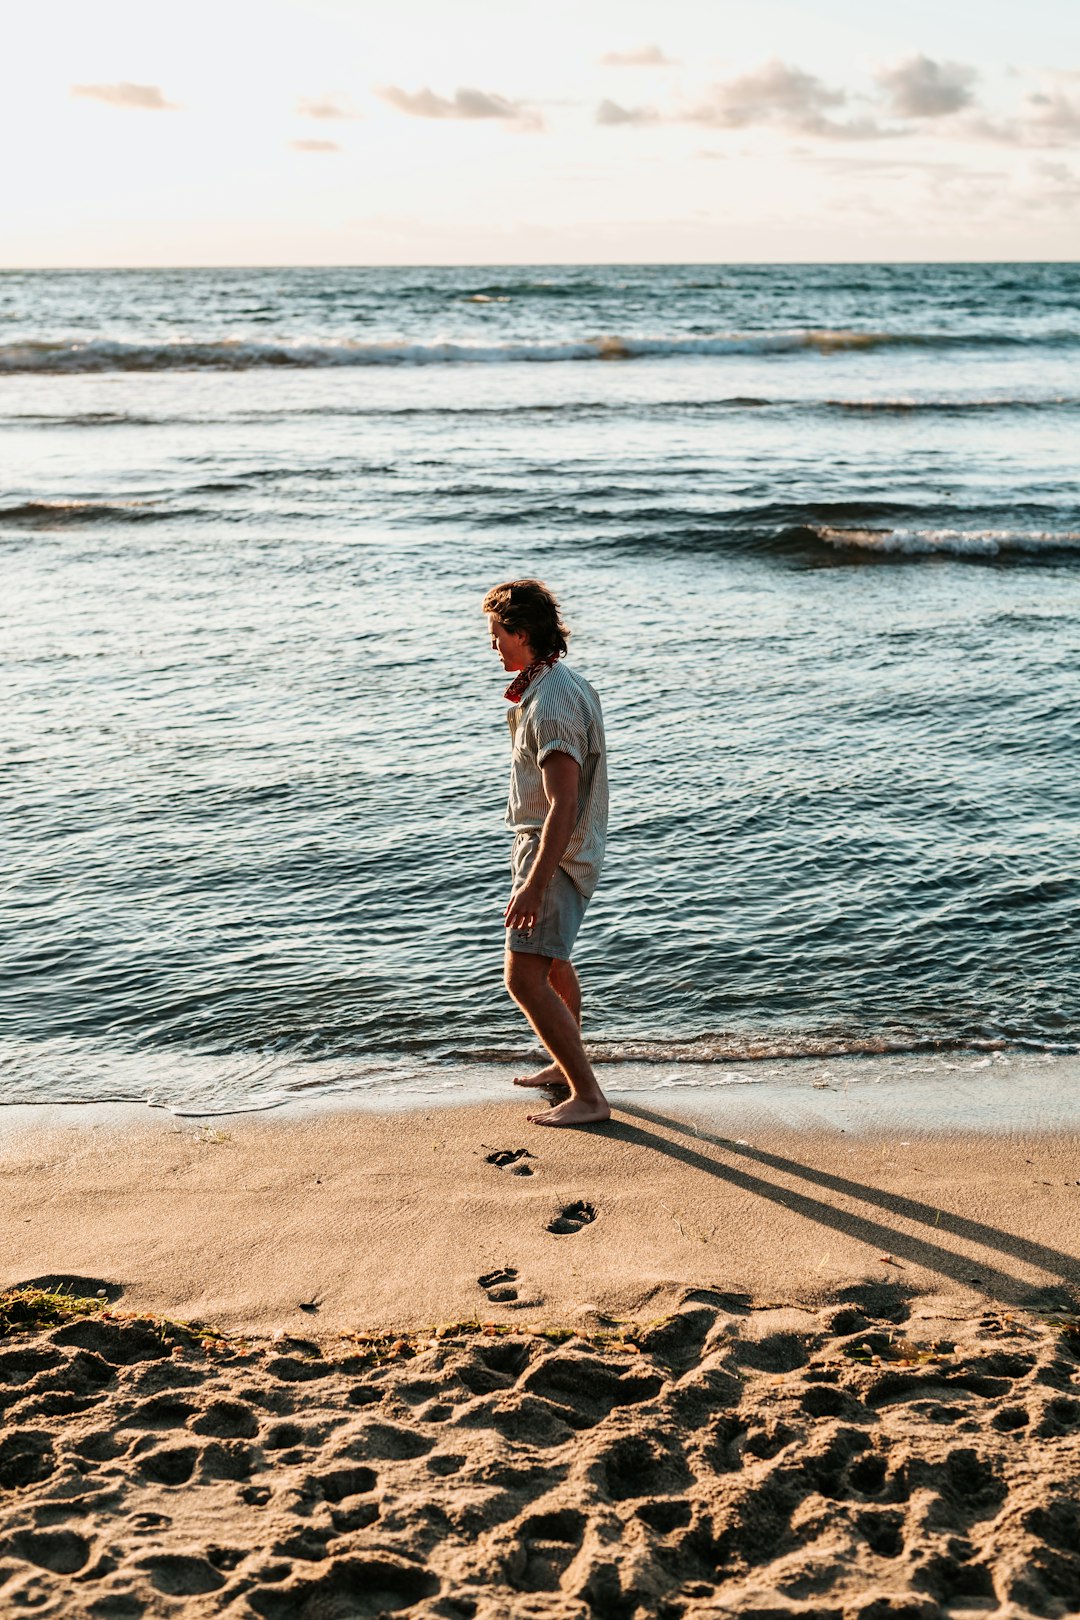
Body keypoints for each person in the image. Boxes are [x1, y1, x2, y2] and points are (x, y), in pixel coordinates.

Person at [482, 579, 611, 1128]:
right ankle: (565, 1070)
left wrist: (535, 881)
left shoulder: (553, 700)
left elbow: (562, 802)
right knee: (553, 961)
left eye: (497, 634)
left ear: (524, 633)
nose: (493, 645)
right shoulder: (554, 684)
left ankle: (588, 1095)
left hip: (554, 851)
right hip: (548, 847)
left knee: (522, 976)